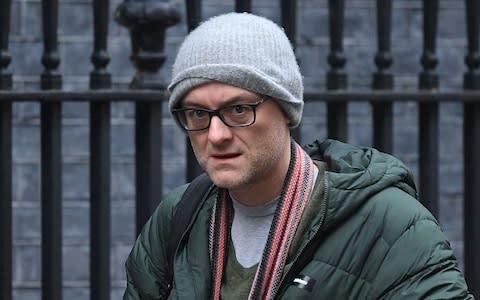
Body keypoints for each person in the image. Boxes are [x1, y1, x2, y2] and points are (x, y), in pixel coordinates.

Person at [123, 12, 474, 299]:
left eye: (240, 109)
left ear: (287, 111)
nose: (216, 134)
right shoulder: (179, 216)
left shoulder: (390, 226)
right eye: (198, 113)